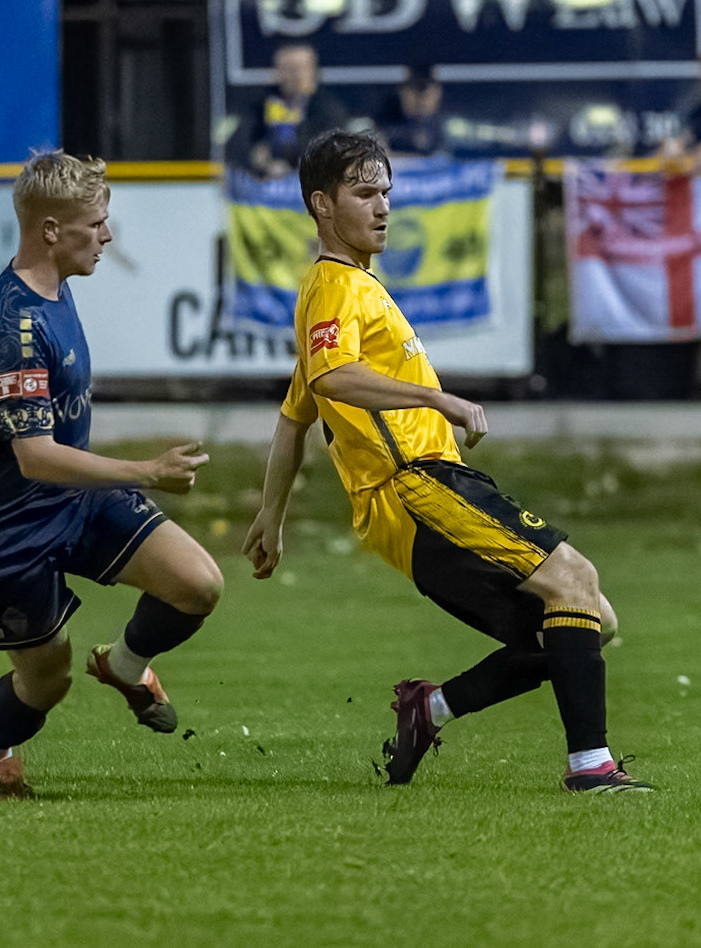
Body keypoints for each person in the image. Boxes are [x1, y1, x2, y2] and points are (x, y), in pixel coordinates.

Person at [241, 131, 650, 794]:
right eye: (364, 192)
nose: (382, 208)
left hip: (417, 503)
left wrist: (270, 515)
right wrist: (437, 396)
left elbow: (295, 414)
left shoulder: (352, 291)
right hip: (416, 486)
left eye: (386, 193)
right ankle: (591, 769)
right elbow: (331, 381)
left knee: (586, 622)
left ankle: (428, 710)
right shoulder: (334, 288)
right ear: (321, 205)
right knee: (575, 580)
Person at [0, 151, 223, 798]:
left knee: (198, 585)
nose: (107, 235)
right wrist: (147, 470)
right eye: (95, 223)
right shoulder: (13, 327)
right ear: (49, 230)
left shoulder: (56, 288)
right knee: (48, 680)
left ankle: (125, 666)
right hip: (4, 531)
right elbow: (34, 456)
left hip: (73, 503)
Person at [227, 44, 350, 179]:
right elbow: (236, 144)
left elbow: (331, 150)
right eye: (287, 69)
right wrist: (255, 157)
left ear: (312, 71)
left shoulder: (329, 109)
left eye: (299, 69)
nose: (293, 76)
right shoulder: (261, 105)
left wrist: (290, 161)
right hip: (263, 186)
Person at [378, 65, 448, 157]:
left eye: (426, 95)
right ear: (402, 92)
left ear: (438, 93)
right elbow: (381, 154)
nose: (421, 101)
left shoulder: (446, 126)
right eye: (414, 92)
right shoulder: (386, 122)